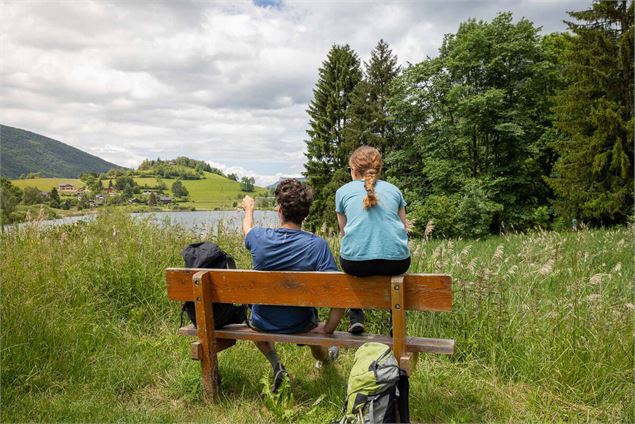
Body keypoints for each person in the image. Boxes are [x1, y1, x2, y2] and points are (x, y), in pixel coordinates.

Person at [241, 179, 344, 393]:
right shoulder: (317, 246)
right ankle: (326, 359)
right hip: (301, 323)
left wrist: (249, 209)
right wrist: (328, 328)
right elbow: (337, 291)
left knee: (256, 324)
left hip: (262, 322)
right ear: (305, 213)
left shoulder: (259, 238)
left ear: (279, 210)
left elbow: (247, 229)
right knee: (317, 333)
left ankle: (277, 365)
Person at [336, 146, 411, 334]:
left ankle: (356, 316)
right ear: (378, 169)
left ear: (354, 169)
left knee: (350, 255)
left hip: (356, 265)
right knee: (391, 268)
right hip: (397, 262)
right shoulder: (394, 190)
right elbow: (403, 227)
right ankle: (395, 320)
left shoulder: (342, 192)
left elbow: (343, 232)